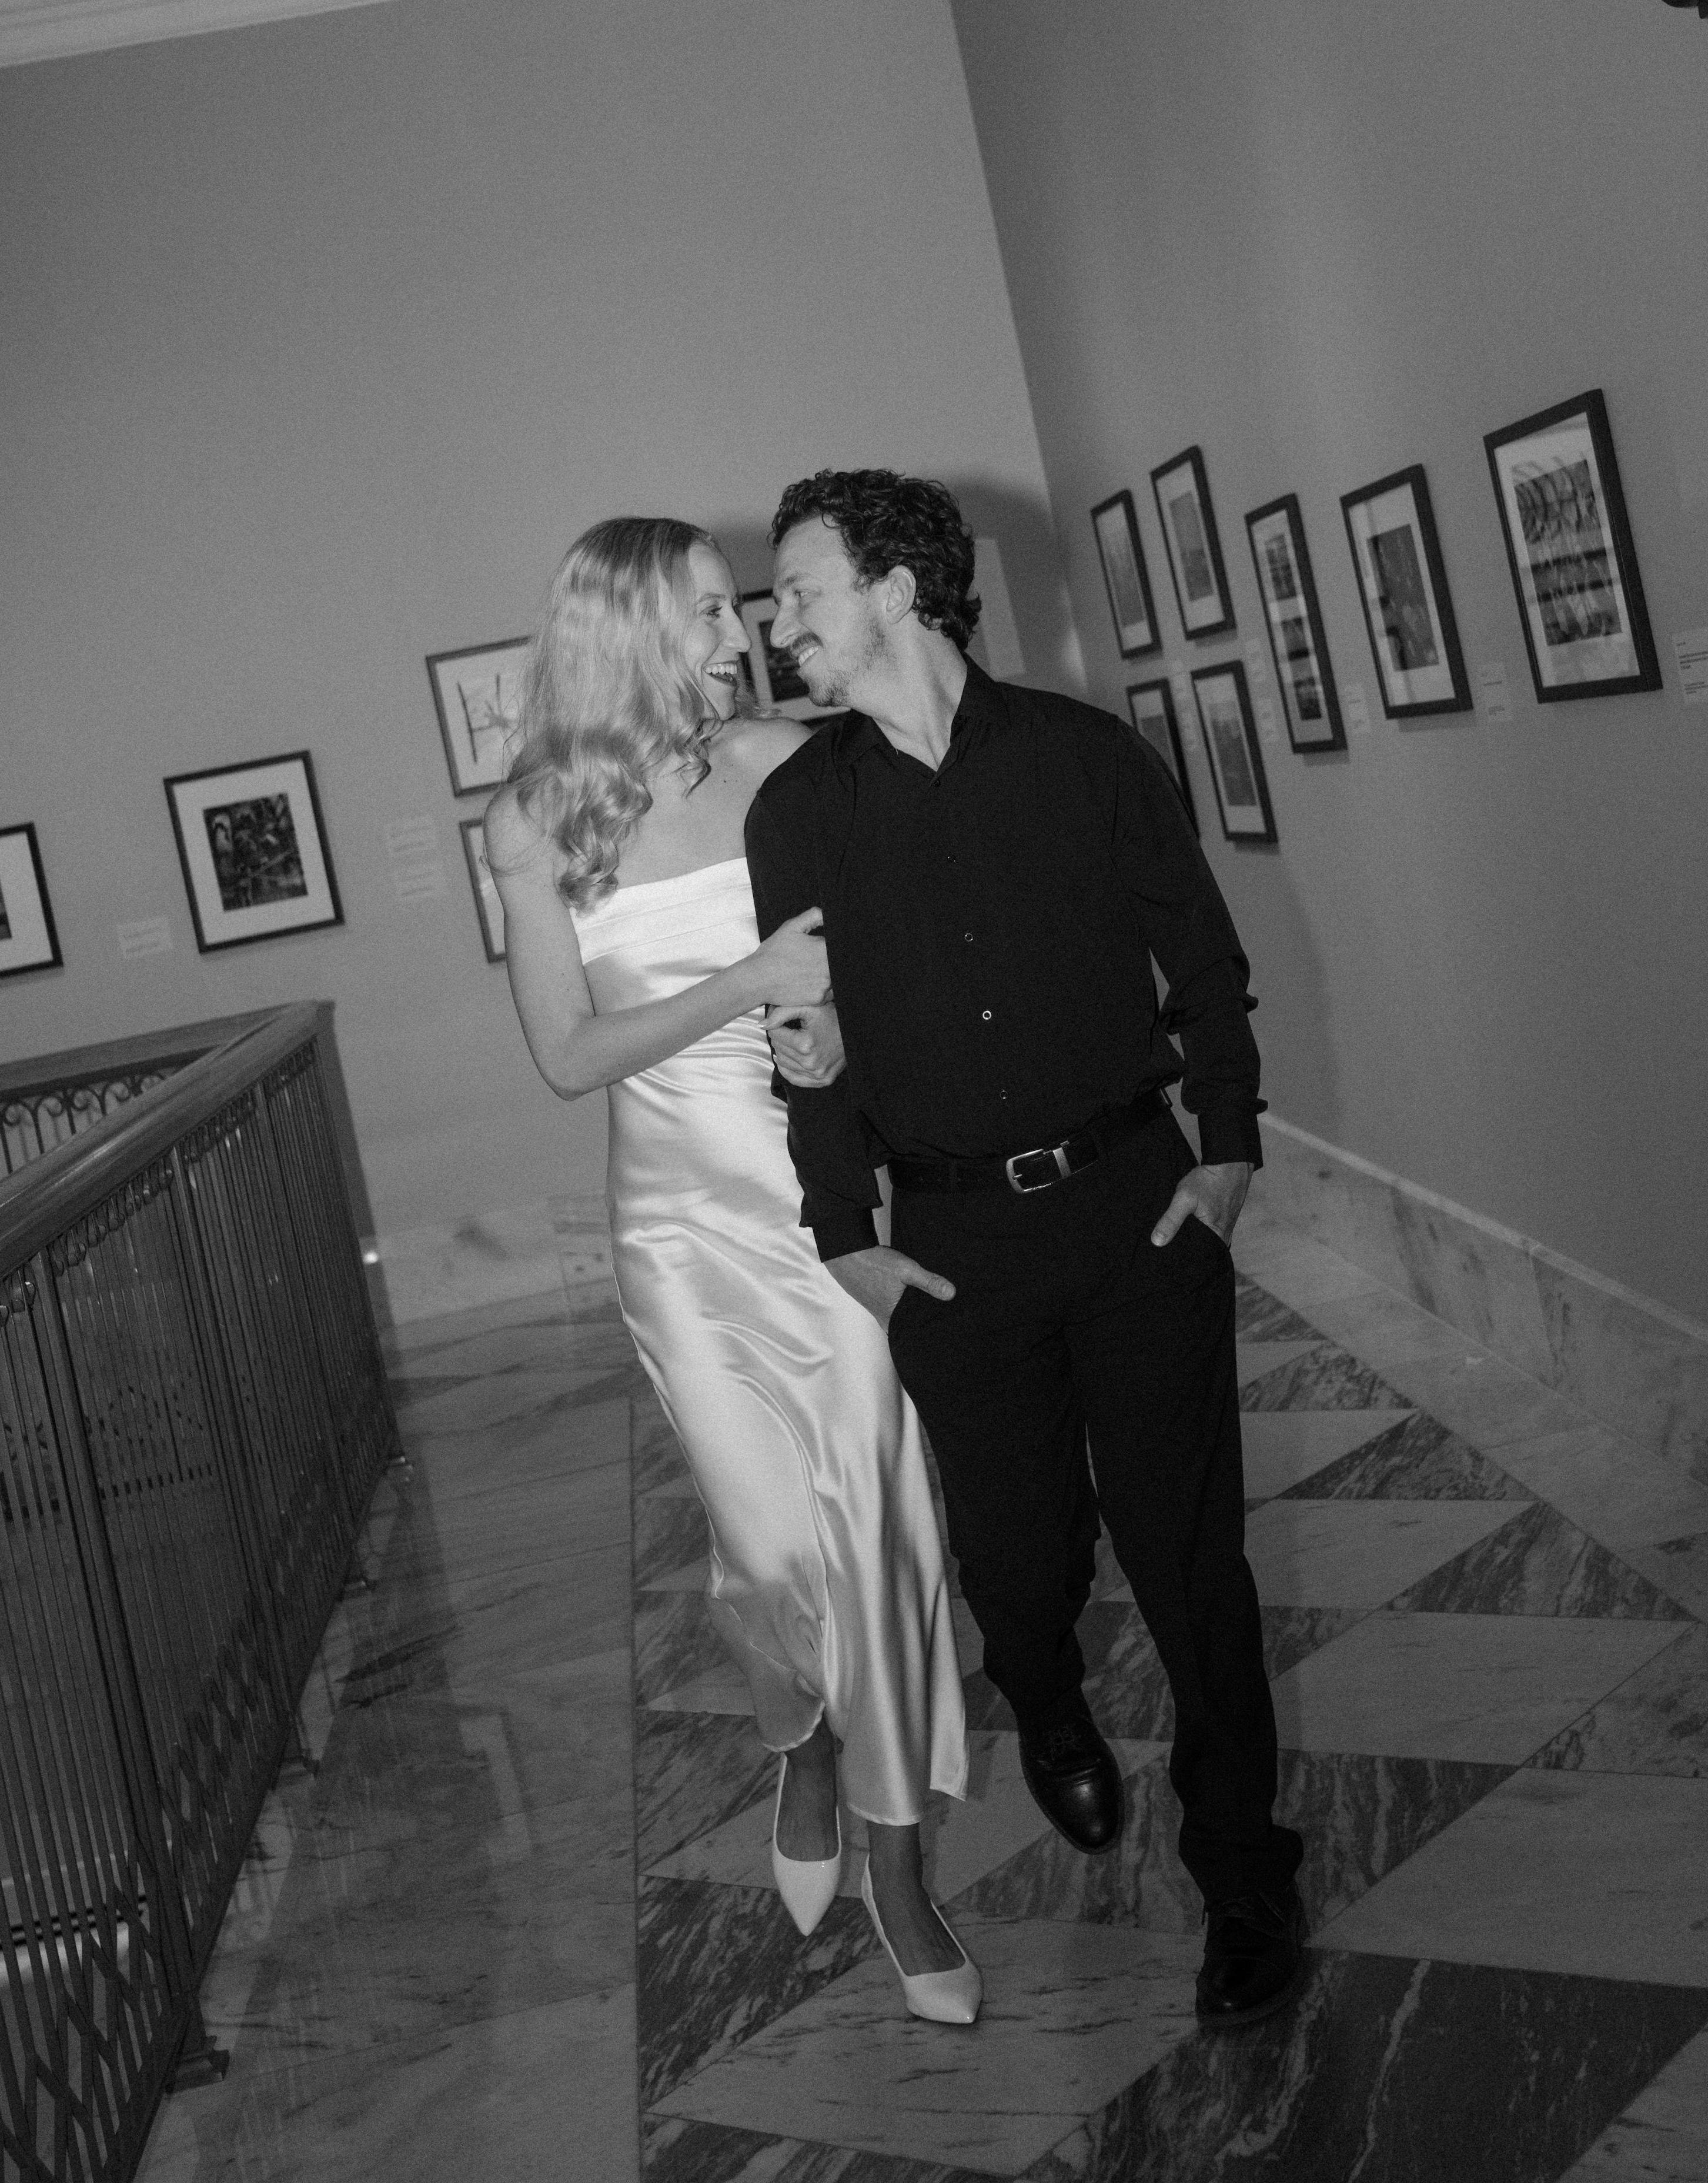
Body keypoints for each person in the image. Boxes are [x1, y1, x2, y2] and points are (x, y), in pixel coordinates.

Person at [744, 470, 1307, 2030]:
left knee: (1192, 1566)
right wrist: (844, 1235)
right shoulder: (800, 813)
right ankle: (1046, 1694)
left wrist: (1228, 1149)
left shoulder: (1087, 757)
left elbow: (1204, 961)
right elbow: (804, 1038)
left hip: (1135, 1212)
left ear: (896, 591)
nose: (780, 626)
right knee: (1019, 1559)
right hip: (953, 1252)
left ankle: (1245, 1877)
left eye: (800, 592)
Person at [485, 516, 979, 2025]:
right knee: (767, 1547)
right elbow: (568, 1056)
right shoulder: (534, 823)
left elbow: (883, 953)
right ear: (631, 627)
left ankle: (898, 1860)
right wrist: (746, 981)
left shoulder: (783, 764)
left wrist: (833, 1032)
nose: (740, 632)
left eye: (738, 606)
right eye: (707, 610)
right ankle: (801, 1743)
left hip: (822, 1205)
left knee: (881, 1523)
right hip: (678, 1234)